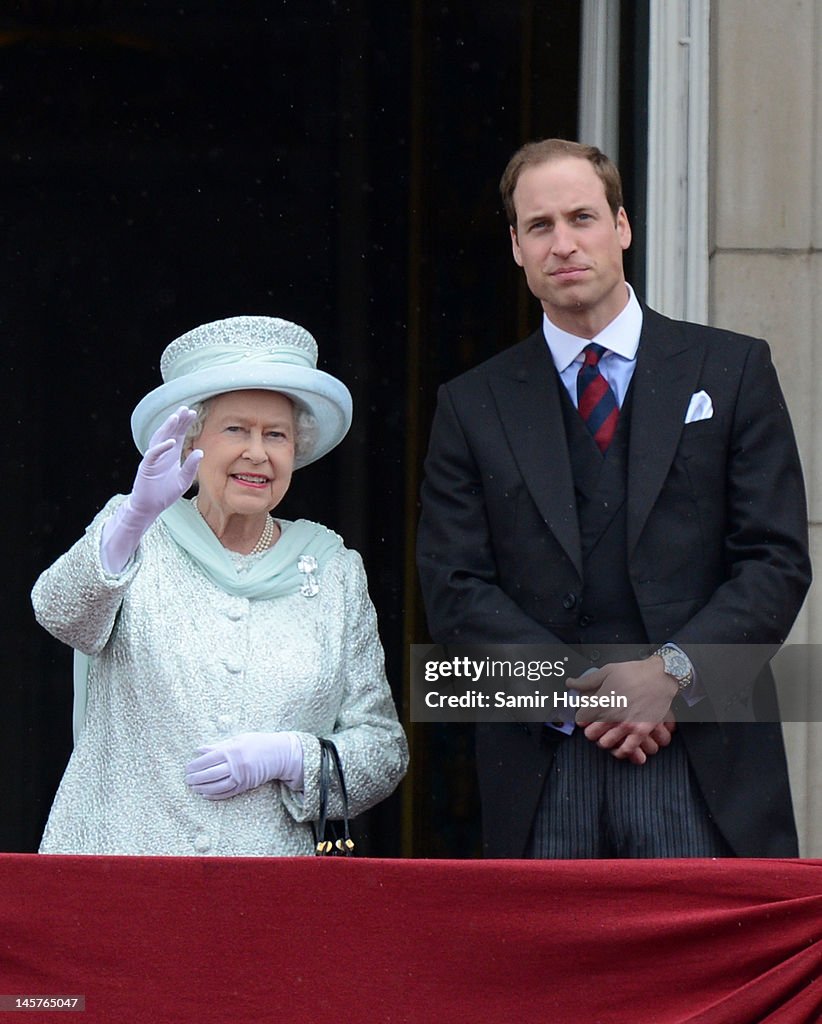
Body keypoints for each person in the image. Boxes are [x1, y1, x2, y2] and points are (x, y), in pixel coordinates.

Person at [416, 139, 811, 859]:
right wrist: (581, 693)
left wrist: (671, 673)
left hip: (706, 759)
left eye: (582, 217)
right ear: (515, 246)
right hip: (544, 764)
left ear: (622, 225)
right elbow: (453, 588)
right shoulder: (472, 406)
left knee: (707, 973)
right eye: (540, 226)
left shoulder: (733, 370)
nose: (563, 243)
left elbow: (775, 560)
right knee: (546, 974)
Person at [33, 315, 408, 856]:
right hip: (120, 871)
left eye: (275, 435)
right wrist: (135, 518)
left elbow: (384, 750)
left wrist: (291, 757)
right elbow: (58, 612)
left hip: (264, 892)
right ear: (192, 440)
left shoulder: (333, 570)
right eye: (236, 430)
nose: (257, 452)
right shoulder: (134, 530)